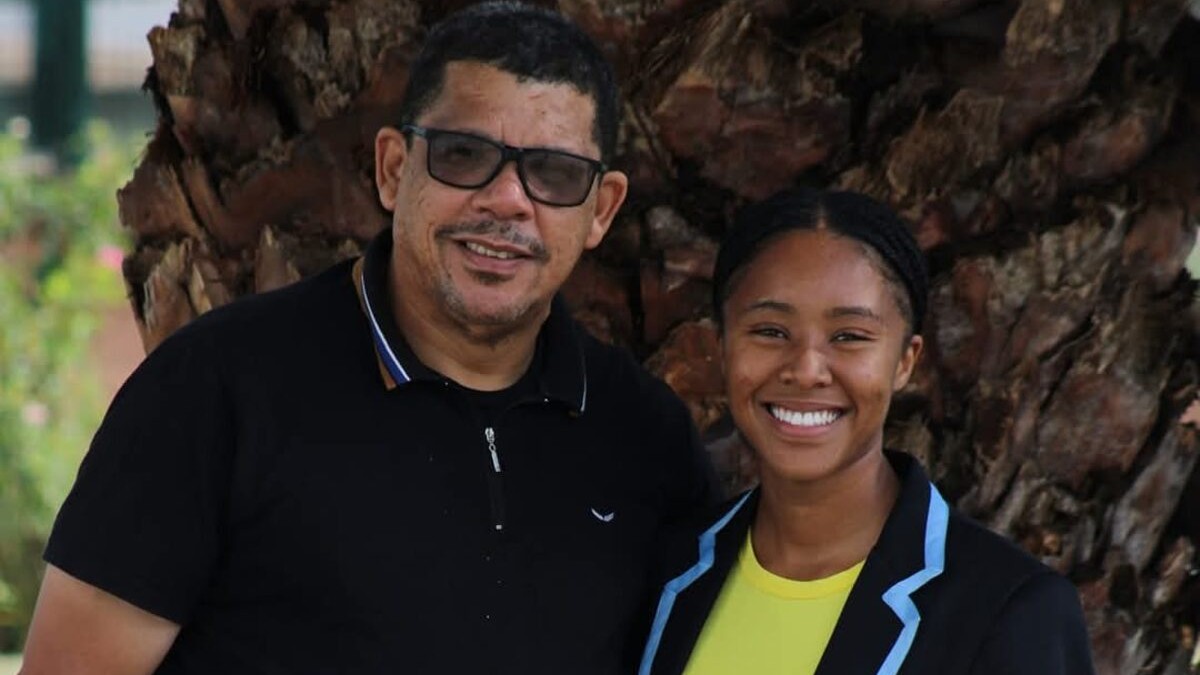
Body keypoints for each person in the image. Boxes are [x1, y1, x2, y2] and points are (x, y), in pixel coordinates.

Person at [19, 3, 718, 673]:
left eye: (556, 174)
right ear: (392, 168)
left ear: (602, 210)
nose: (508, 200)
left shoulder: (644, 436)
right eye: (465, 154)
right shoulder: (217, 389)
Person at [637, 187, 1096, 675]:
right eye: (770, 331)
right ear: (723, 346)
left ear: (905, 361)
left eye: (850, 337)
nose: (807, 368)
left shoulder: (1009, 612)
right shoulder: (669, 569)